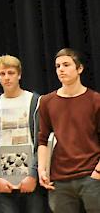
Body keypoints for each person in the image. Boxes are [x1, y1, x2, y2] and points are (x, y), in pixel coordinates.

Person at [37, 48, 100, 212]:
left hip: (91, 175)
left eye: (66, 65)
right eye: (57, 66)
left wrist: (98, 172)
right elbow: (43, 139)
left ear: (79, 69)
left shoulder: (95, 100)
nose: (61, 70)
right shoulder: (46, 101)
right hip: (60, 179)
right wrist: (42, 169)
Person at [0, 54, 45, 212]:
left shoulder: (35, 101)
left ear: (19, 75)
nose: (7, 78)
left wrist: (33, 173)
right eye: (2, 74)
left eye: (11, 73)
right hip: (4, 175)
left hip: (31, 173)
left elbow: (41, 140)